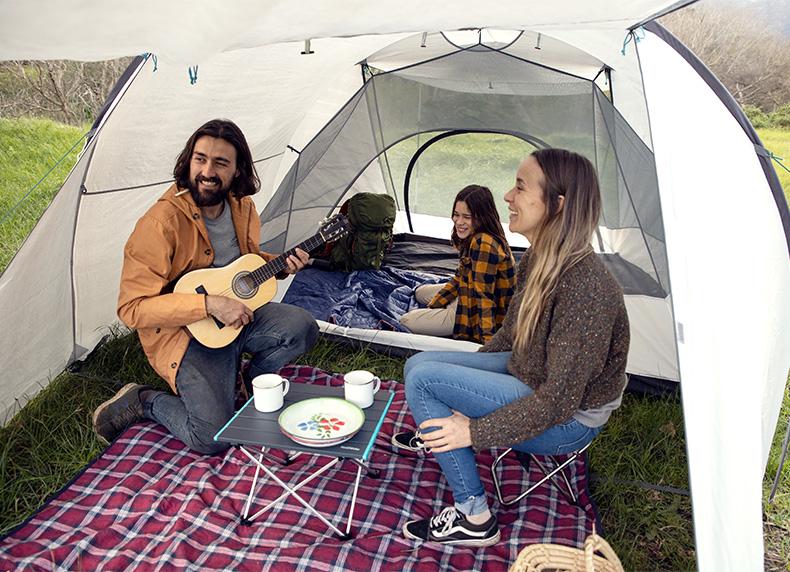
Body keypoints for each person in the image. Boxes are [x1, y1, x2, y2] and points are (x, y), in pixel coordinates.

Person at [392, 149, 630, 547]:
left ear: (558, 204)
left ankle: (474, 517)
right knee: (419, 365)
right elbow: (508, 334)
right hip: (529, 373)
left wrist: (476, 430)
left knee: (426, 382)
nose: (507, 196)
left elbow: (559, 403)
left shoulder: (587, 287)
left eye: (520, 187)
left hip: (568, 422)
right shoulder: (539, 257)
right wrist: (464, 389)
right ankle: (437, 426)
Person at [92, 119, 319, 454]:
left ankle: (248, 384)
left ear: (238, 170)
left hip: (237, 317)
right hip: (185, 335)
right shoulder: (160, 224)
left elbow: (242, 265)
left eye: (220, 163)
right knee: (212, 439)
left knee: (302, 327)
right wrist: (209, 305)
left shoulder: (243, 207)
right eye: (200, 159)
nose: (207, 171)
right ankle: (144, 401)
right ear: (189, 160)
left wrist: (281, 266)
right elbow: (132, 308)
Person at [399, 185, 515, 345]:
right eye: (456, 215)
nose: (459, 222)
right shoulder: (474, 237)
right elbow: (460, 278)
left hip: (473, 313)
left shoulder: (484, 245)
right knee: (420, 292)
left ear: (481, 217)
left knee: (406, 320)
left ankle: (447, 315)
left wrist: (488, 343)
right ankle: (444, 311)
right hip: (465, 294)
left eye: (467, 217)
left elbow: (484, 297)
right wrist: (434, 306)